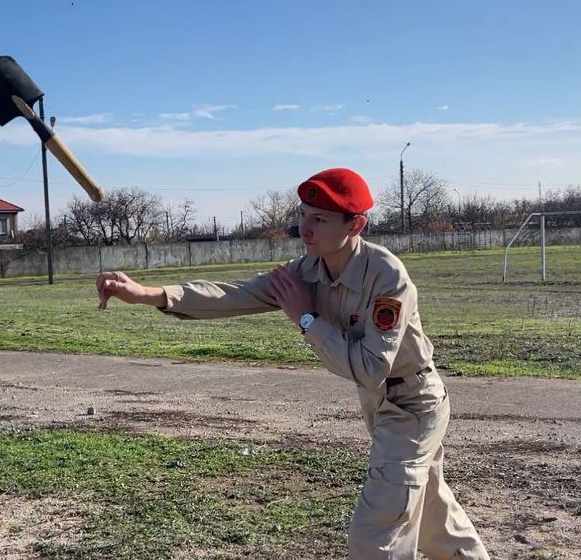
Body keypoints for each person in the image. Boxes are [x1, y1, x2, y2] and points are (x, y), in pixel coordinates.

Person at [95, 168, 490, 560]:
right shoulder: (306, 271)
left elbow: (371, 368)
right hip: (380, 404)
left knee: (378, 530)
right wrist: (148, 294)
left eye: (319, 219)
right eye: (302, 215)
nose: (305, 228)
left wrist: (307, 319)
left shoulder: (387, 278)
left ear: (356, 225)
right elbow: (234, 294)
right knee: (434, 517)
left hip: (413, 404)